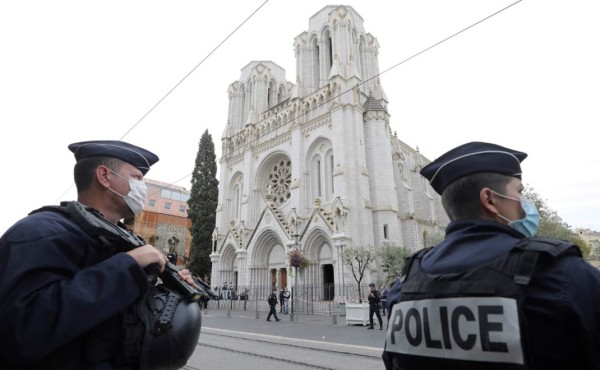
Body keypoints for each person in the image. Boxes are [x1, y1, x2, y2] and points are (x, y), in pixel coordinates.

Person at [382, 141, 600, 370]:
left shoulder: (403, 288)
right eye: (519, 192)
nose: (526, 204)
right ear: (490, 199)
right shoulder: (565, 276)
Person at [0, 140, 200, 369]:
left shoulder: (124, 241)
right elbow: (20, 332)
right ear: (104, 176)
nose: (143, 188)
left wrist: (171, 293)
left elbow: (128, 321)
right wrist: (127, 267)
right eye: (136, 178)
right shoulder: (41, 232)